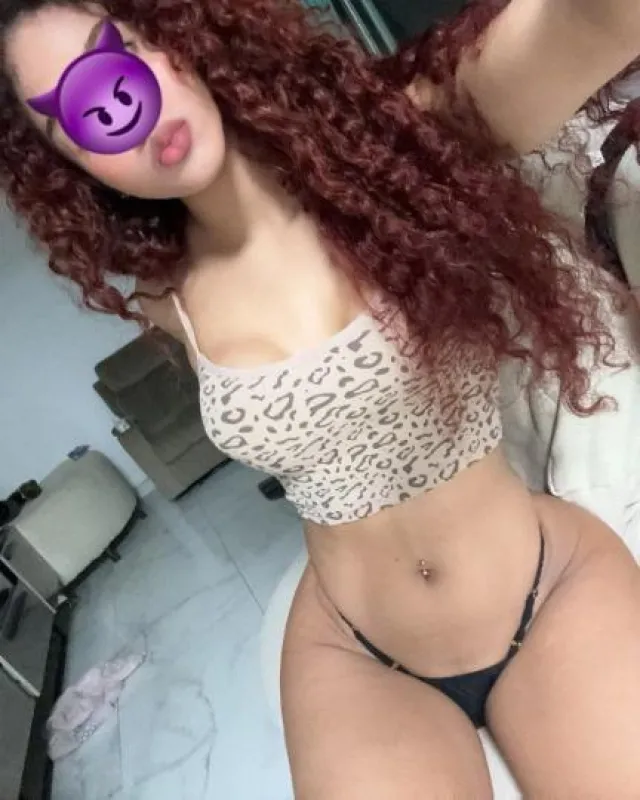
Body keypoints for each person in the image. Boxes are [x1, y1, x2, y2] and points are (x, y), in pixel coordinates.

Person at [1, 0, 640, 795]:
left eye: (119, 52)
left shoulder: (400, 144)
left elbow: (596, 23)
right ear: (73, 168)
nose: (125, 110)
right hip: (358, 656)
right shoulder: (168, 296)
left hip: (543, 590)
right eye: (74, 117)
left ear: (179, 35)